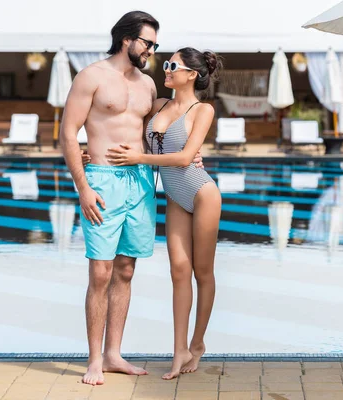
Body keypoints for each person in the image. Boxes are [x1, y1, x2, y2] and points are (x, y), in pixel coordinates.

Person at [60, 11, 202, 386]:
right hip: (102, 181)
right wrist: (83, 186)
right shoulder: (91, 76)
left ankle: (113, 354)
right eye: (148, 43)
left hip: (140, 182)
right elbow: (68, 132)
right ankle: (93, 359)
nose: (152, 50)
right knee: (101, 271)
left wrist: (192, 150)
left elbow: (162, 128)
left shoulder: (149, 86)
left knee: (125, 269)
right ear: (126, 39)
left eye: (155, 44)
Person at [105, 48, 223, 380]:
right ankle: (179, 351)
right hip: (174, 195)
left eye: (173, 65)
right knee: (178, 273)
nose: (166, 69)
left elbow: (186, 158)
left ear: (192, 75)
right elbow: (132, 137)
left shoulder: (203, 110)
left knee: (203, 273)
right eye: (167, 64)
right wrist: (94, 153)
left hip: (201, 193)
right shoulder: (158, 105)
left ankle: (197, 344)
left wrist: (140, 160)